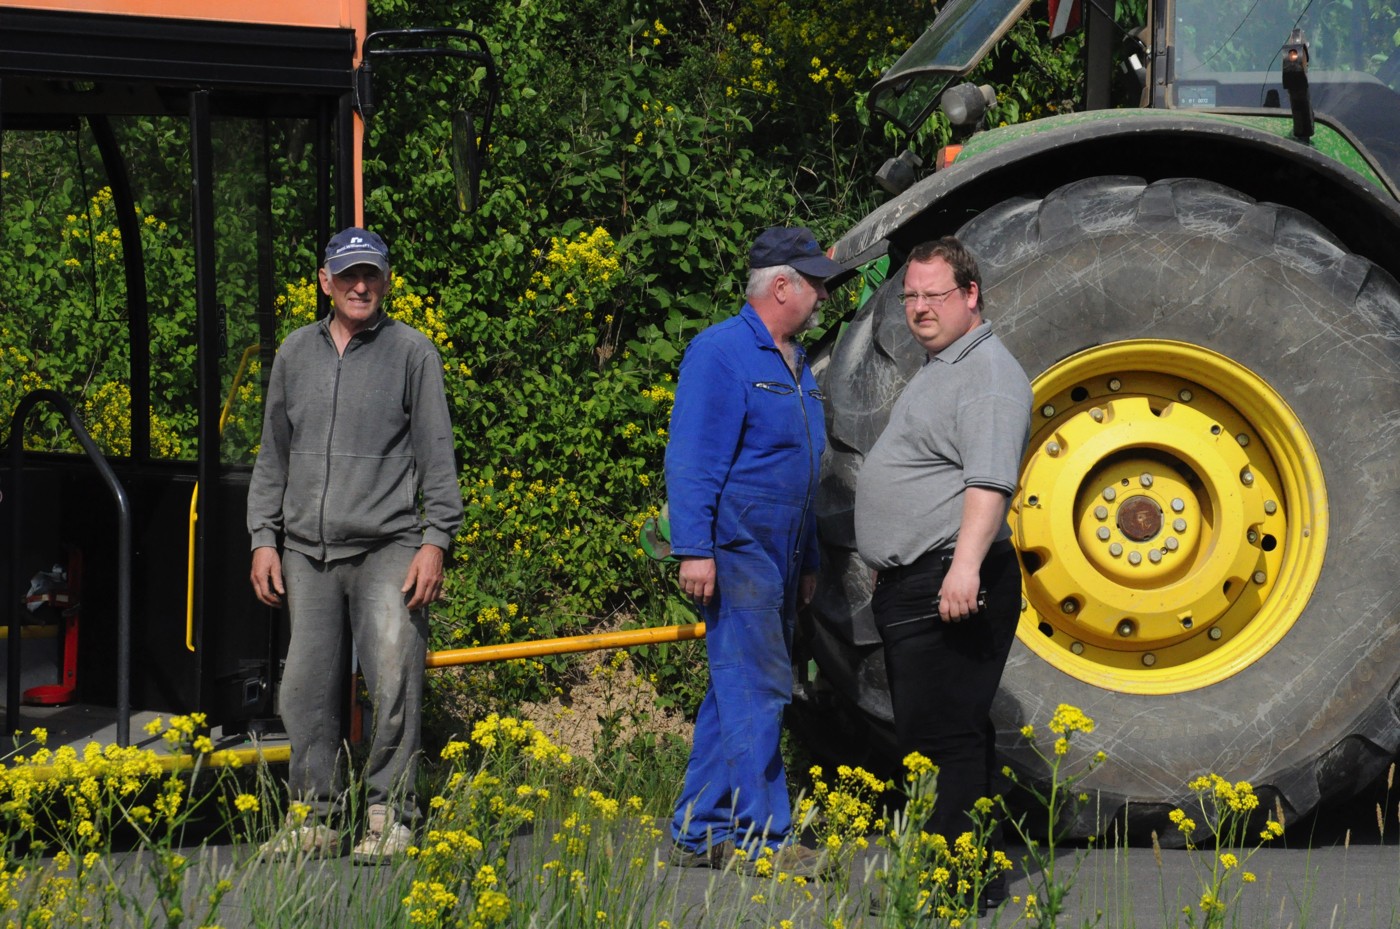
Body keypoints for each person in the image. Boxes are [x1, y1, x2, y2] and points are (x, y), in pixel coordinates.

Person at [247, 226, 463, 863]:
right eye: (348, 276)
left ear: (386, 281)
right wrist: (263, 538)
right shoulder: (294, 352)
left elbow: (437, 454)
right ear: (326, 282)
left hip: (389, 546)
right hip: (304, 551)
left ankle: (391, 815)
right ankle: (314, 818)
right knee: (304, 690)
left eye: (370, 275)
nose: (360, 286)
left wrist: (436, 540)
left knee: (393, 679)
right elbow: (272, 454)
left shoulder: (413, 352)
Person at [853, 236, 1031, 909]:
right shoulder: (946, 365)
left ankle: (945, 884)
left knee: (938, 737)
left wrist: (962, 568)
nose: (920, 308)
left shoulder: (987, 374)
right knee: (953, 730)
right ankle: (974, 875)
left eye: (935, 294)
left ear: (971, 294)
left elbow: (989, 483)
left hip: (953, 580)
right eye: (911, 296)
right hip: (924, 575)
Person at [665, 226, 841, 877]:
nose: (824, 295)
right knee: (760, 688)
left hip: (784, 554)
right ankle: (766, 837)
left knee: (734, 689)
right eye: (815, 283)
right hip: (738, 549)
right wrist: (694, 549)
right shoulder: (720, 353)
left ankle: (696, 829)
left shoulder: (794, 361)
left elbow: (804, 472)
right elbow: (692, 458)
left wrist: (811, 558)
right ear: (781, 286)